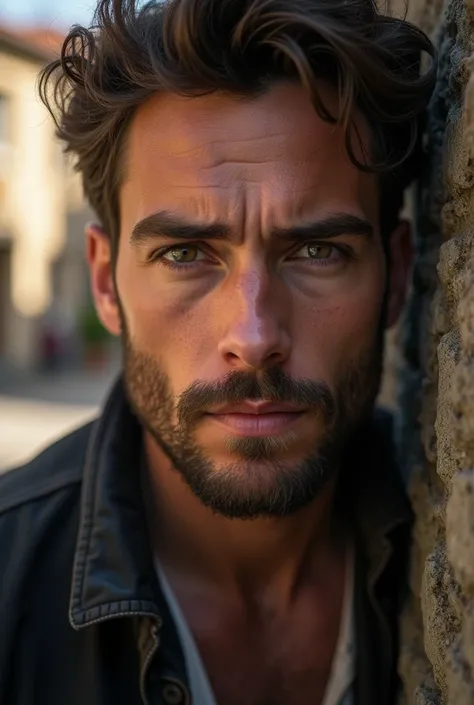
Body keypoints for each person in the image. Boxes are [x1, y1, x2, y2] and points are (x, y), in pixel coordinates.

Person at [0, 1, 436, 704]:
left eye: (318, 250)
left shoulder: (446, 543)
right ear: (106, 281)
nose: (255, 336)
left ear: (397, 274)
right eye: (185, 253)